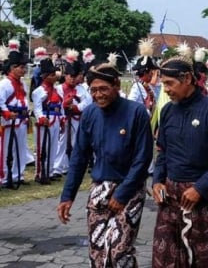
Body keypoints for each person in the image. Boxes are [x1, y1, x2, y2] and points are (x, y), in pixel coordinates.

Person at [57, 54, 153, 267]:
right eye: (93, 90)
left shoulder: (136, 113)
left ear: (116, 85)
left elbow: (143, 158)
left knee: (120, 253)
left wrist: (122, 193)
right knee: (98, 252)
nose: (98, 95)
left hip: (130, 190)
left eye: (103, 89)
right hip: (99, 189)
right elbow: (79, 157)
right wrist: (67, 196)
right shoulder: (90, 114)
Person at [150, 48, 208, 267]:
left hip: (204, 198)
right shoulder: (167, 110)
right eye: (163, 84)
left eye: (170, 83)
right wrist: (158, 181)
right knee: (167, 259)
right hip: (171, 198)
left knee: (207, 259)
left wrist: (200, 188)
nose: (166, 89)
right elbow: (162, 152)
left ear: (187, 78)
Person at [53, 51, 92, 179]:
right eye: (71, 76)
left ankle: (71, 166)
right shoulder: (58, 89)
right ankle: (57, 168)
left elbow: (87, 103)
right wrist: (65, 105)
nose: (73, 78)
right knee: (61, 144)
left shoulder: (81, 89)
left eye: (75, 76)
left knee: (76, 143)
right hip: (64, 119)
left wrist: (76, 107)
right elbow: (56, 104)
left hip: (76, 119)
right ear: (66, 76)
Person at [0, 39, 32, 188]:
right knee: (6, 149)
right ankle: (6, 178)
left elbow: (24, 99)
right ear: (13, 67)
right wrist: (7, 114)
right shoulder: (4, 84)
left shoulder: (23, 83)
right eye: (22, 67)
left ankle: (18, 175)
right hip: (9, 120)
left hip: (21, 120)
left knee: (20, 148)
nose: (24, 70)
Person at [31, 58, 62, 184]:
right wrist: (41, 118)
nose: (55, 77)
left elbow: (60, 105)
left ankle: (49, 171)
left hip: (56, 119)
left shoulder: (56, 90)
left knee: (53, 147)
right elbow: (37, 109)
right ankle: (40, 173)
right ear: (45, 76)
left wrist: (62, 118)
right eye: (52, 75)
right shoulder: (38, 91)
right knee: (42, 148)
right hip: (45, 120)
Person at [129, 38, 158, 116]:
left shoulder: (152, 87)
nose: (153, 74)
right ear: (146, 72)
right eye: (151, 72)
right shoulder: (137, 86)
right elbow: (130, 106)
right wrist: (145, 112)